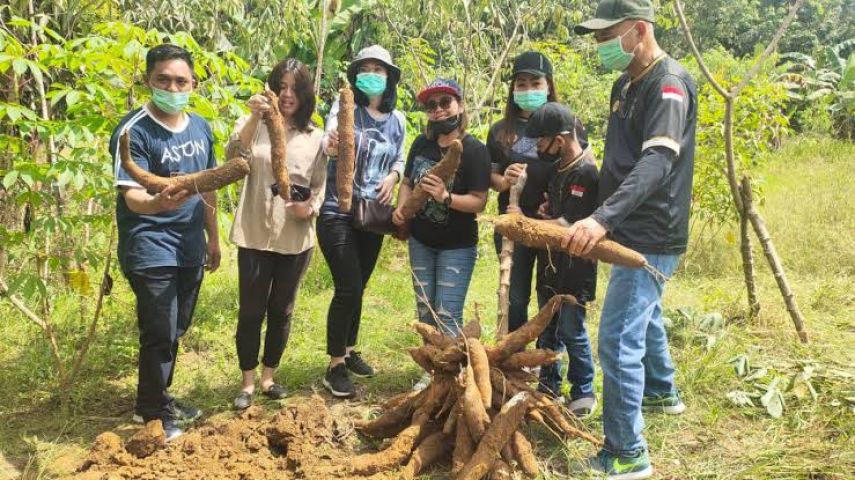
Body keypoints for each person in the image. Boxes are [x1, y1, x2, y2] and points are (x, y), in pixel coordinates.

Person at [570, 1, 698, 477]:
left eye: (609, 37)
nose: (602, 46)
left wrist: (602, 220)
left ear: (640, 31)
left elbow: (656, 163)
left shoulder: (669, 84)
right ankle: (662, 392)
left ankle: (626, 453)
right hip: (629, 223)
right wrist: (581, 213)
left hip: (651, 231)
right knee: (644, 316)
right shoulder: (624, 84)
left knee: (618, 338)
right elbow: (618, 165)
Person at [111, 44, 220, 440]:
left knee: (177, 325)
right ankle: (152, 412)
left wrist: (214, 238)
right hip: (149, 243)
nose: (172, 87)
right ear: (148, 81)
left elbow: (209, 187)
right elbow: (131, 196)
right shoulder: (132, 130)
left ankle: (160, 396)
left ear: (192, 84)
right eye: (163, 79)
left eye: (180, 80)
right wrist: (157, 202)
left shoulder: (200, 127)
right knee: (159, 329)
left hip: (190, 244)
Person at [227, 59, 326, 410]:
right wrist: (255, 116)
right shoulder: (252, 126)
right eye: (280, 86)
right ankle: (248, 382)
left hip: (294, 235)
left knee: (282, 309)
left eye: (295, 88)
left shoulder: (316, 137)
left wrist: (310, 207)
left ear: (305, 93)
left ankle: (269, 377)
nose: (287, 95)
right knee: (251, 309)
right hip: (254, 230)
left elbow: (320, 186)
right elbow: (232, 156)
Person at [319, 45, 406, 398]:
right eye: (365, 68)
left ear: (389, 78)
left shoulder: (397, 119)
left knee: (360, 285)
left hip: (373, 214)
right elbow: (329, 140)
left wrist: (394, 177)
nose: (371, 74)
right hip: (338, 209)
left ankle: (351, 350)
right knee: (348, 285)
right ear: (356, 76)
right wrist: (331, 143)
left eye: (379, 69)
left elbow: (399, 155)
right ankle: (335, 364)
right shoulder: (345, 108)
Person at [509, 102, 599, 418]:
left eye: (542, 142)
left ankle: (583, 390)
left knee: (572, 330)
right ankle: (548, 385)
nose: (538, 149)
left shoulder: (585, 171)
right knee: (546, 326)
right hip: (552, 265)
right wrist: (547, 211)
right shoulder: (560, 167)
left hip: (576, 269)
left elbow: (568, 227)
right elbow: (558, 213)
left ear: (559, 139)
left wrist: (523, 222)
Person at [487, 51, 587, 333]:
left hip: (553, 225)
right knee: (515, 298)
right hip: (514, 224)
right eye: (521, 84)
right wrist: (505, 180)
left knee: (550, 294)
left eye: (535, 83)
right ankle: (515, 357)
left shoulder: (569, 123)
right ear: (513, 89)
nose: (528, 90)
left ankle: (547, 362)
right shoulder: (500, 130)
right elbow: (491, 180)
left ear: (548, 86)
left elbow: (582, 169)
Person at [392, 78, 490, 337]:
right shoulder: (421, 144)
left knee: (447, 312)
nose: (438, 109)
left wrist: (446, 197)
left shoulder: (475, 150)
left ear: (459, 105)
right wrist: (402, 208)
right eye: (431, 105)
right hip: (421, 241)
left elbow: (479, 200)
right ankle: (432, 371)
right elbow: (407, 182)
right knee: (425, 310)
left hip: (457, 246)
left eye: (445, 102)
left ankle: (450, 374)